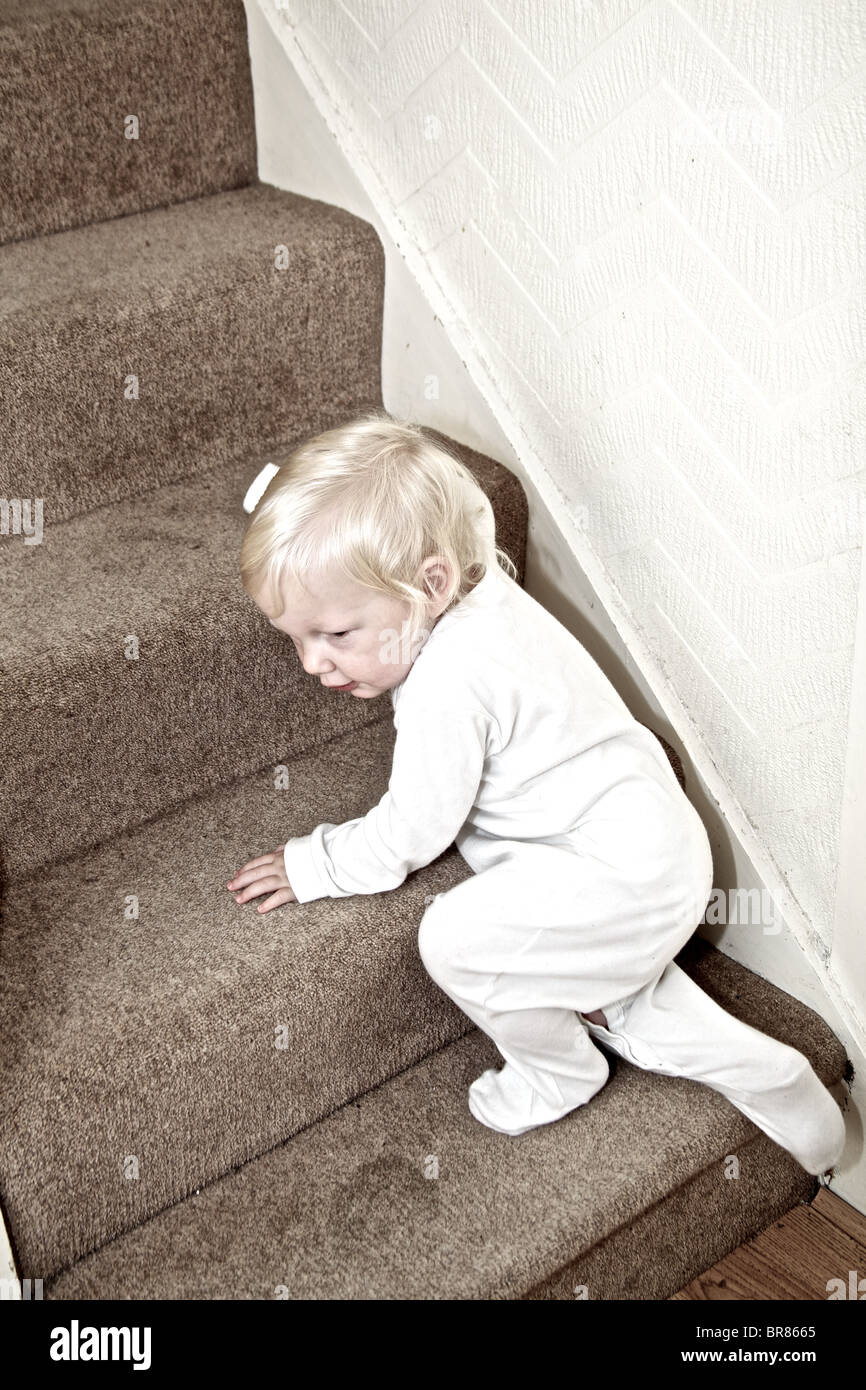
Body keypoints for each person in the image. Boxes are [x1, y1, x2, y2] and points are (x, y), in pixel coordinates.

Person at [225, 409, 846, 1178]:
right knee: (619, 992)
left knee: (458, 941)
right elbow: (465, 506)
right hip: (648, 843)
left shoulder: (447, 686)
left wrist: (316, 863)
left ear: (430, 584)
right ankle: (766, 1074)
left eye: (336, 635)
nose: (313, 663)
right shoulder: (475, 576)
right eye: (296, 639)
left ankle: (559, 1074)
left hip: (621, 873)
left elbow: (408, 835)